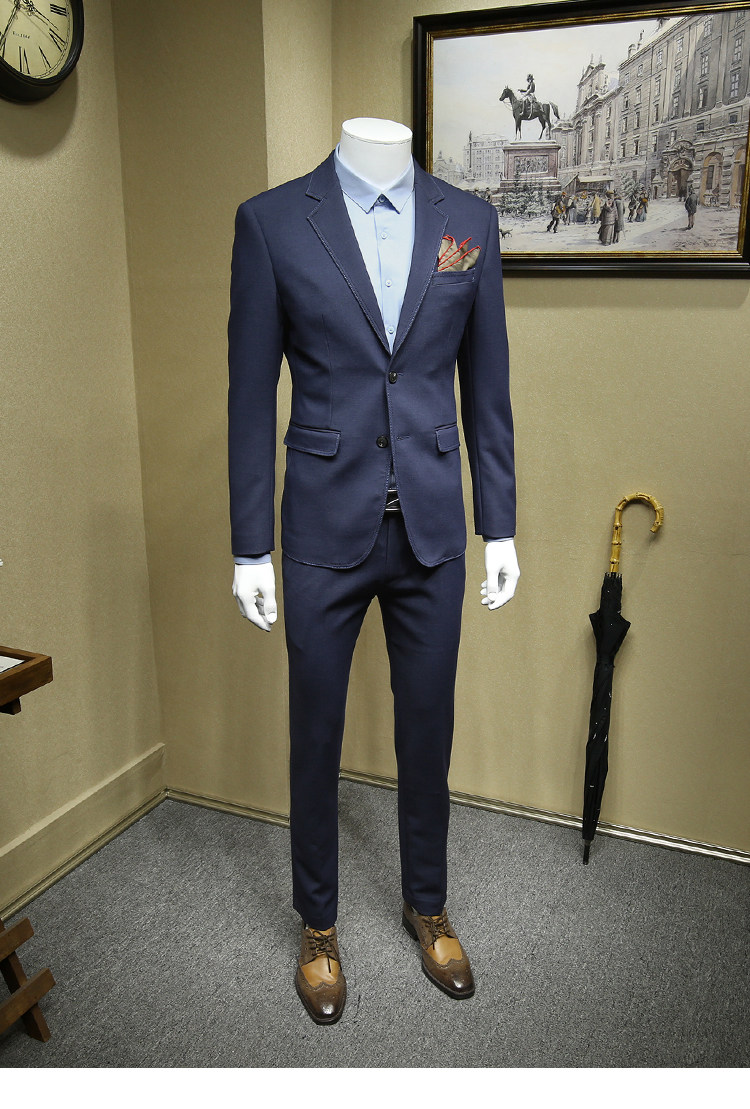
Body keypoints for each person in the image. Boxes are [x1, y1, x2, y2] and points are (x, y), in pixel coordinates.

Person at [228, 118, 519, 1025]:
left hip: (433, 524)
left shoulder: (469, 220)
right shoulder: (273, 222)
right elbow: (248, 393)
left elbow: (488, 384)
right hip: (322, 523)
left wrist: (501, 525)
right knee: (314, 733)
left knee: (429, 728)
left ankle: (426, 904)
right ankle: (318, 923)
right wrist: (249, 545)